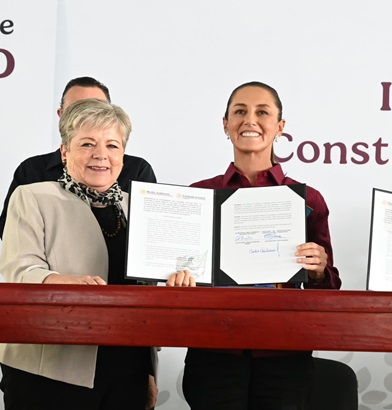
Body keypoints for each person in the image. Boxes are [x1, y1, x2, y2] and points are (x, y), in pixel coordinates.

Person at [167, 81, 341, 410]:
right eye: (240, 112)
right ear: (225, 124)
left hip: (284, 353)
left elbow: (327, 290)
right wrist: (178, 279)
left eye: (262, 112)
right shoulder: (198, 196)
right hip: (213, 351)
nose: (250, 120)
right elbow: (181, 282)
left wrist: (318, 271)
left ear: (280, 127)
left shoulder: (308, 199)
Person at [0, 98, 157, 409]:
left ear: (123, 156)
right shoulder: (32, 196)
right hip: (50, 369)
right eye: (87, 144)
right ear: (64, 152)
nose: (101, 155)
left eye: (113, 145)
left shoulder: (142, 207)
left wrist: (150, 370)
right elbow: (19, 271)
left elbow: (151, 290)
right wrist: (63, 283)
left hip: (127, 367)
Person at [0, 76, 157, 238]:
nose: (89, 116)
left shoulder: (137, 171)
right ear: (62, 115)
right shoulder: (31, 172)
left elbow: (152, 236)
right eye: (78, 110)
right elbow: (12, 234)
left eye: (97, 109)